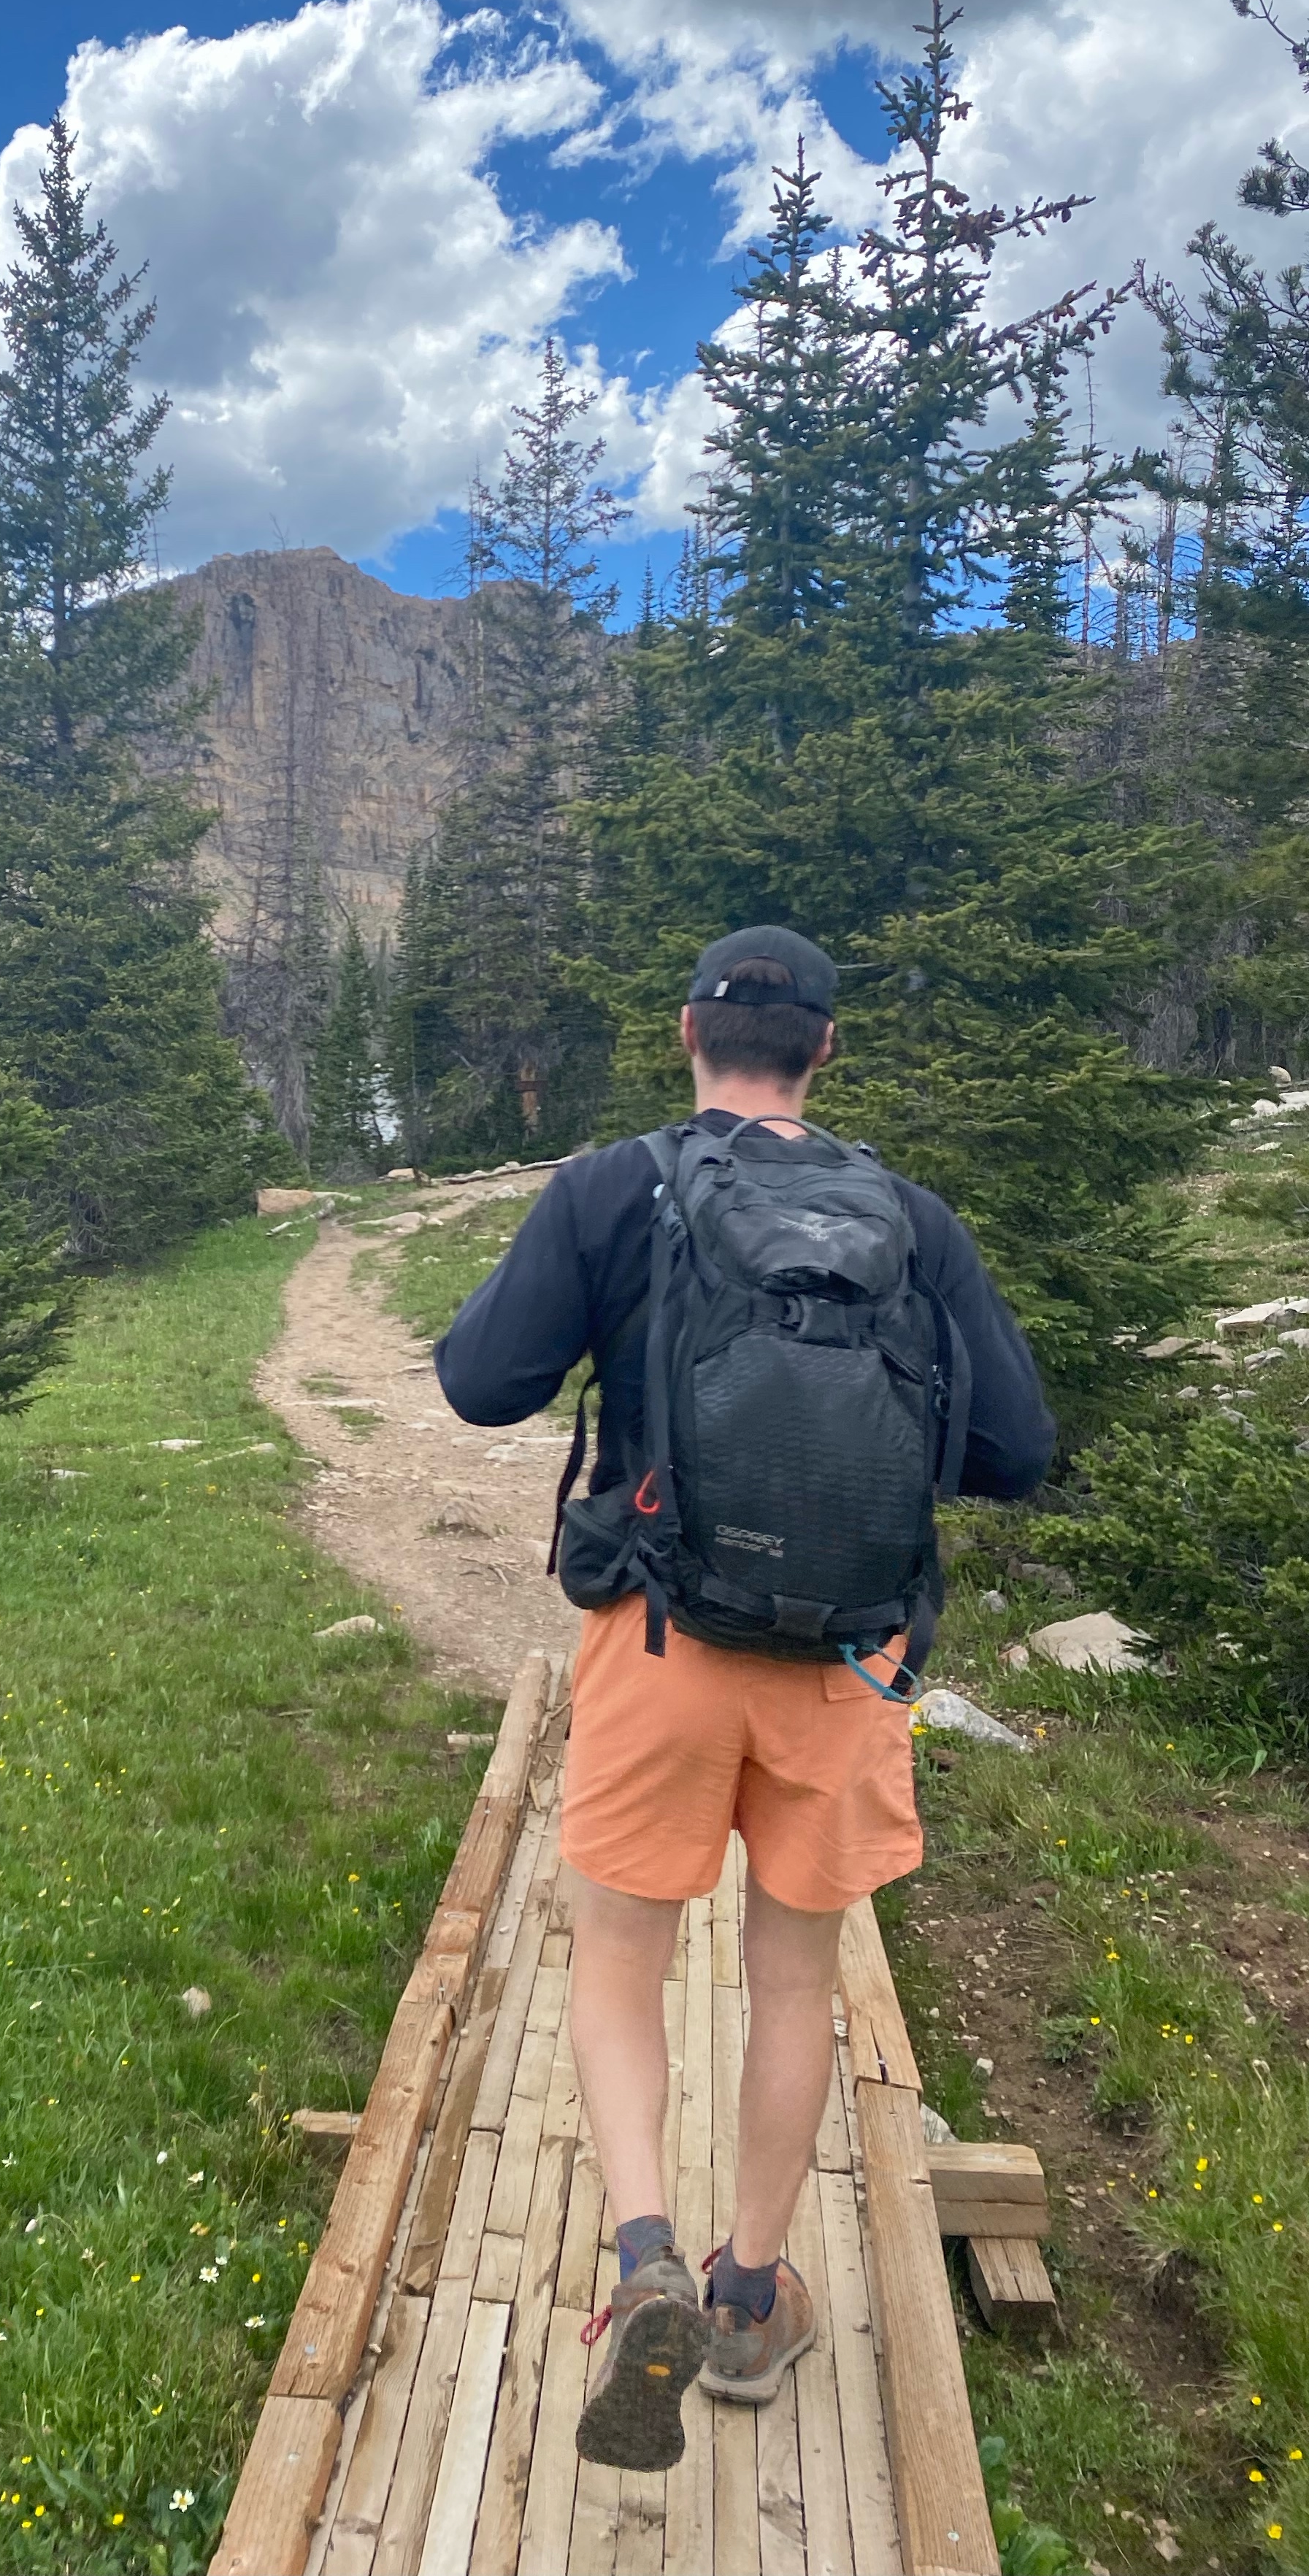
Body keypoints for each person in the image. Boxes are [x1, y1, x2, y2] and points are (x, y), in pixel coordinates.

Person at [433, 926, 1054, 2472]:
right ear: (826, 1052)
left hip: (661, 1645)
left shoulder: (613, 1190)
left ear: (687, 1037)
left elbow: (480, 1384)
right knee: (794, 1983)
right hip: (844, 1670)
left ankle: (642, 2247)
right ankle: (749, 2291)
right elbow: (1018, 1453)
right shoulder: (910, 1221)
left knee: (618, 1963)